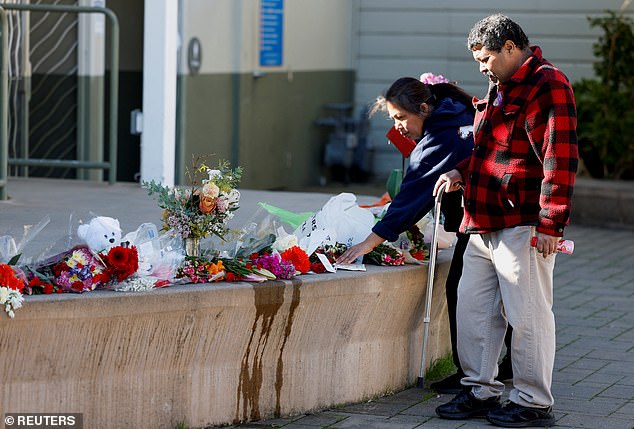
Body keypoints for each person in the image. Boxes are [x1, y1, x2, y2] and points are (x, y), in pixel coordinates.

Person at [433, 14, 578, 427]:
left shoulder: (549, 84)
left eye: (486, 58)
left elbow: (560, 158)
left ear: (511, 47)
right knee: (473, 309)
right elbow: (489, 144)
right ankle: (480, 389)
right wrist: (461, 170)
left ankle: (534, 402)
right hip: (482, 219)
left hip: (525, 222)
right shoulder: (502, 82)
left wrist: (551, 222)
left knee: (527, 315)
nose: (481, 68)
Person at [336, 75, 513, 393]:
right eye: (393, 119)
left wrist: (371, 240)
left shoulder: (442, 131)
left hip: (486, 221)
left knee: (461, 289)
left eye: (401, 118)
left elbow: (414, 192)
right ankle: (509, 364)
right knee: (506, 295)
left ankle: (469, 373)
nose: (398, 126)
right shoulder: (456, 109)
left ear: (423, 107)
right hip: (502, 214)